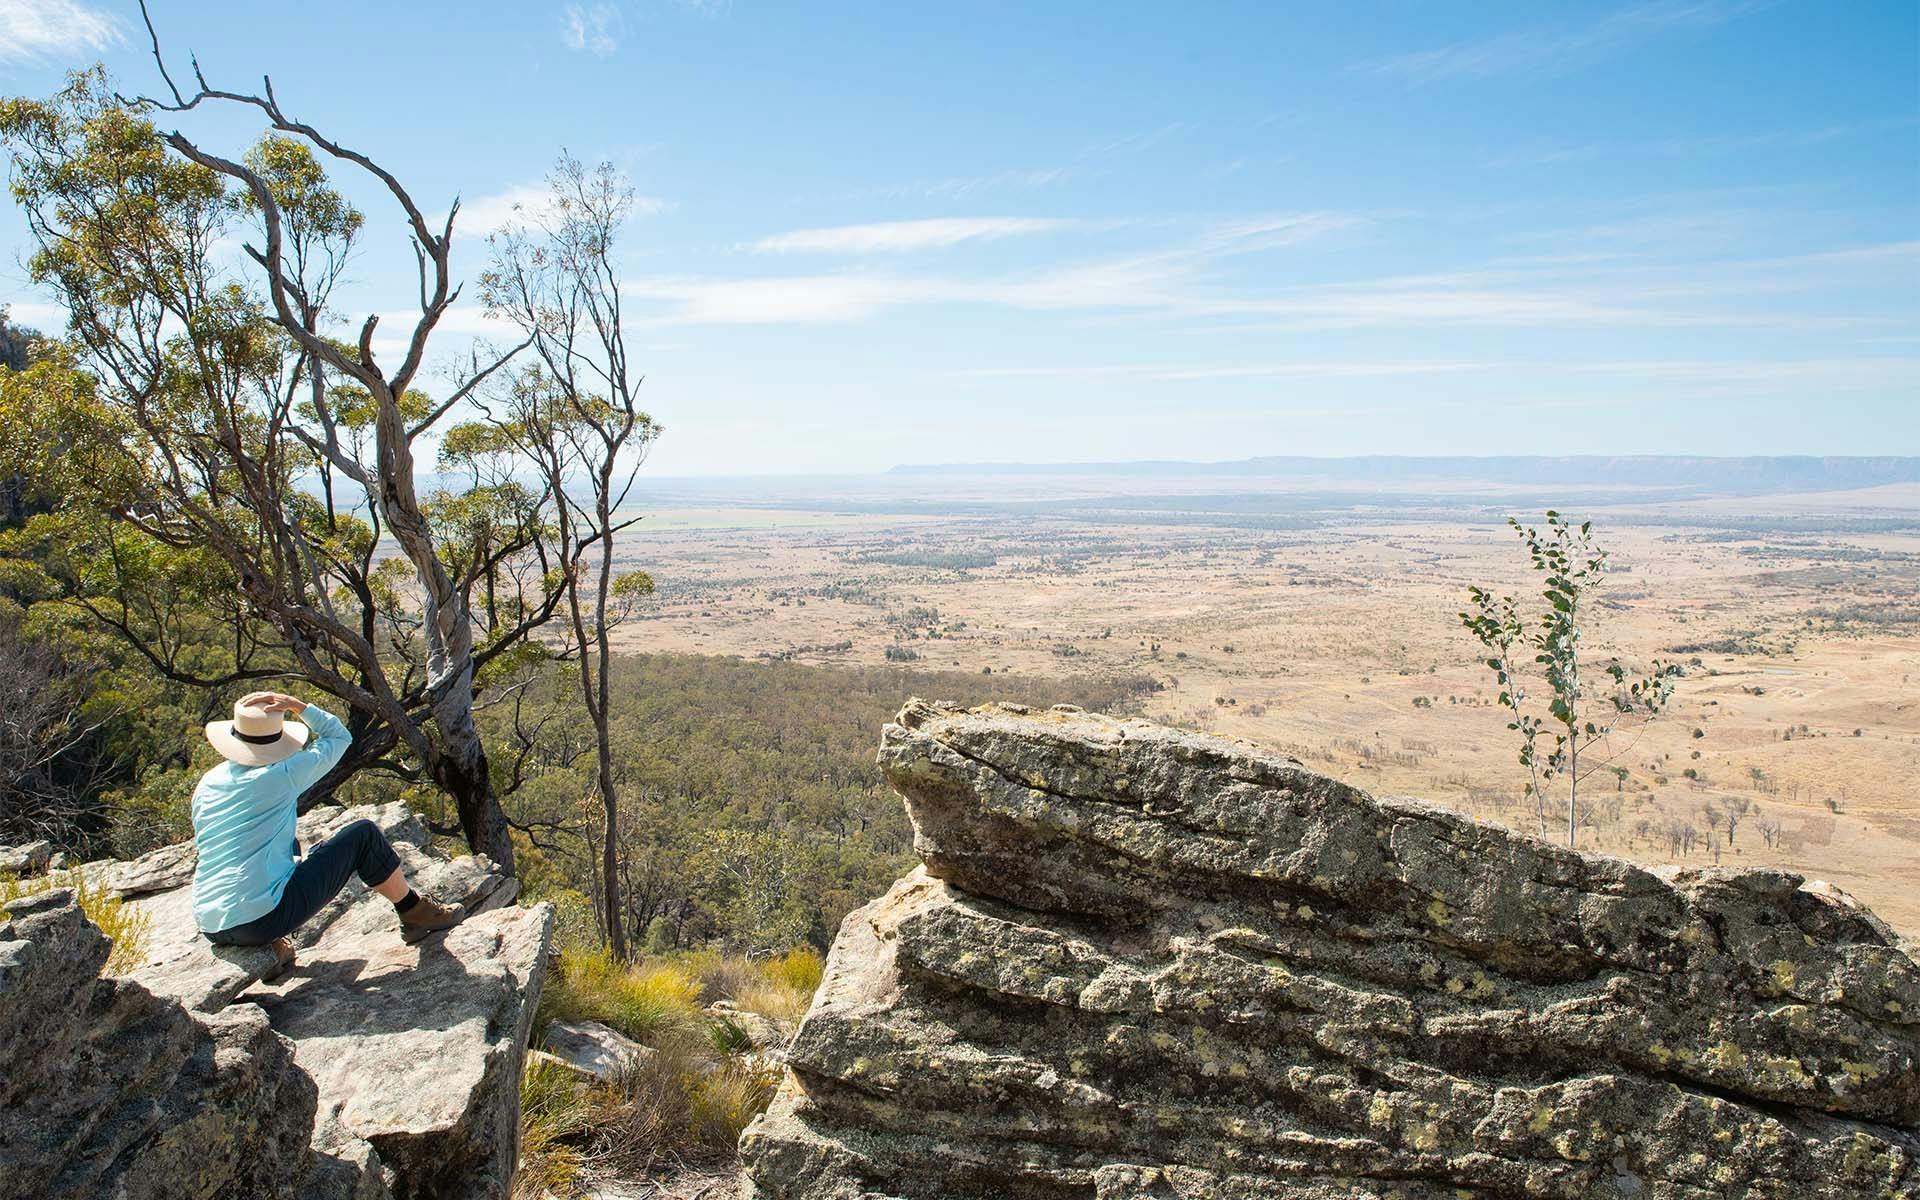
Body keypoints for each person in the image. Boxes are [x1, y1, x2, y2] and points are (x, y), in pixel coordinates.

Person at [192, 691, 465, 974]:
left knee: (290, 846)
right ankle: (414, 912)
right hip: (260, 920)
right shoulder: (281, 774)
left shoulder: (209, 782)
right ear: (277, 738)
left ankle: (272, 947)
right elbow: (338, 738)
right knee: (364, 835)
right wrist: (298, 705)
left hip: (211, 924)